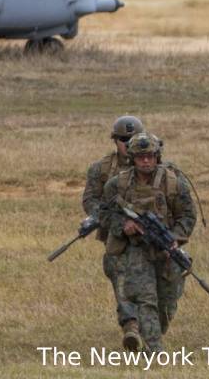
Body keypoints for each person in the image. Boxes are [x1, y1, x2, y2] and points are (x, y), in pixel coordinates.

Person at [101, 132, 196, 353]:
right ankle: (154, 352)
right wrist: (123, 225)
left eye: (150, 156)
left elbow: (188, 217)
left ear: (157, 157)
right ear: (133, 158)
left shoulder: (174, 184)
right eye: (141, 156)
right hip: (136, 251)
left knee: (167, 304)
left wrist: (174, 238)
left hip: (167, 251)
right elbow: (104, 214)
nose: (146, 161)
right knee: (146, 300)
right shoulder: (118, 185)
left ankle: (148, 336)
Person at [84, 115, 145, 332]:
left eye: (133, 139)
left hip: (148, 236)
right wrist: (108, 218)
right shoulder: (101, 169)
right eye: (123, 140)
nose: (128, 145)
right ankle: (131, 326)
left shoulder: (155, 167)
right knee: (120, 277)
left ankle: (151, 326)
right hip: (116, 236)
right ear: (114, 140)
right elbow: (90, 200)